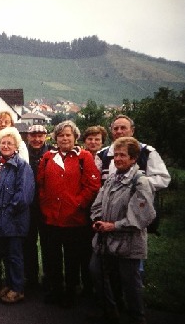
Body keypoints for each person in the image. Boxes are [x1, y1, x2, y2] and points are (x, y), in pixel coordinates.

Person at [89, 137, 156, 324]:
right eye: (116, 155)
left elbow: (142, 217)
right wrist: (97, 220)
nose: (118, 159)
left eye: (122, 155)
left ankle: (137, 317)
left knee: (130, 284)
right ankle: (110, 311)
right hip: (105, 240)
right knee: (96, 271)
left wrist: (114, 226)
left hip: (129, 243)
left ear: (133, 158)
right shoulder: (111, 178)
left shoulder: (141, 182)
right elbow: (97, 204)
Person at [37, 120, 100, 307]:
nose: (65, 138)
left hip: (75, 219)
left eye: (68, 135)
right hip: (52, 218)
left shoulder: (84, 157)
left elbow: (93, 185)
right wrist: (44, 203)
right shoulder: (48, 156)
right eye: (61, 135)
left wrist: (78, 202)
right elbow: (40, 183)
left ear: (75, 137)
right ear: (55, 138)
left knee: (72, 258)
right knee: (52, 258)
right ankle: (56, 290)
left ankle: (70, 291)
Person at [0, 127, 34, 304]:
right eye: (3, 143)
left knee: (14, 255)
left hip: (13, 220)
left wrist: (7, 213)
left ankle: (18, 289)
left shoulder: (22, 166)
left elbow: (24, 196)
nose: (5, 146)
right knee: (5, 254)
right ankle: (10, 284)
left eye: (9, 143)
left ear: (16, 146)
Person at [96, 115, 170, 190]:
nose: (119, 131)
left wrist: (135, 183)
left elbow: (163, 179)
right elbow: (95, 182)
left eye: (123, 128)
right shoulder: (101, 155)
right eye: (115, 129)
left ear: (132, 131)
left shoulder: (147, 152)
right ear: (111, 131)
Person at [80, 125, 107, 297]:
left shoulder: (106, 159)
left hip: (102, 208)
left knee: (100, 250)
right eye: (90, 139)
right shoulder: (80, 156)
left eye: (97, 139)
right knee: (84, 248)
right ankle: (87, 286)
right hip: (83, 207)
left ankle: (102, 289)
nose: (93, 142)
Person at [24, 124, 52, 290]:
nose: (37, 139)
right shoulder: (22, 152)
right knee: (28, 244)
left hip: (46, 205)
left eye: (40, 135)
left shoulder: (52, 153)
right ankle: (31, 278)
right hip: (28, 206)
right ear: (28, 137)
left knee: (48, 244)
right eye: (33, 135)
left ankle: (49, 278)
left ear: (46, 136)